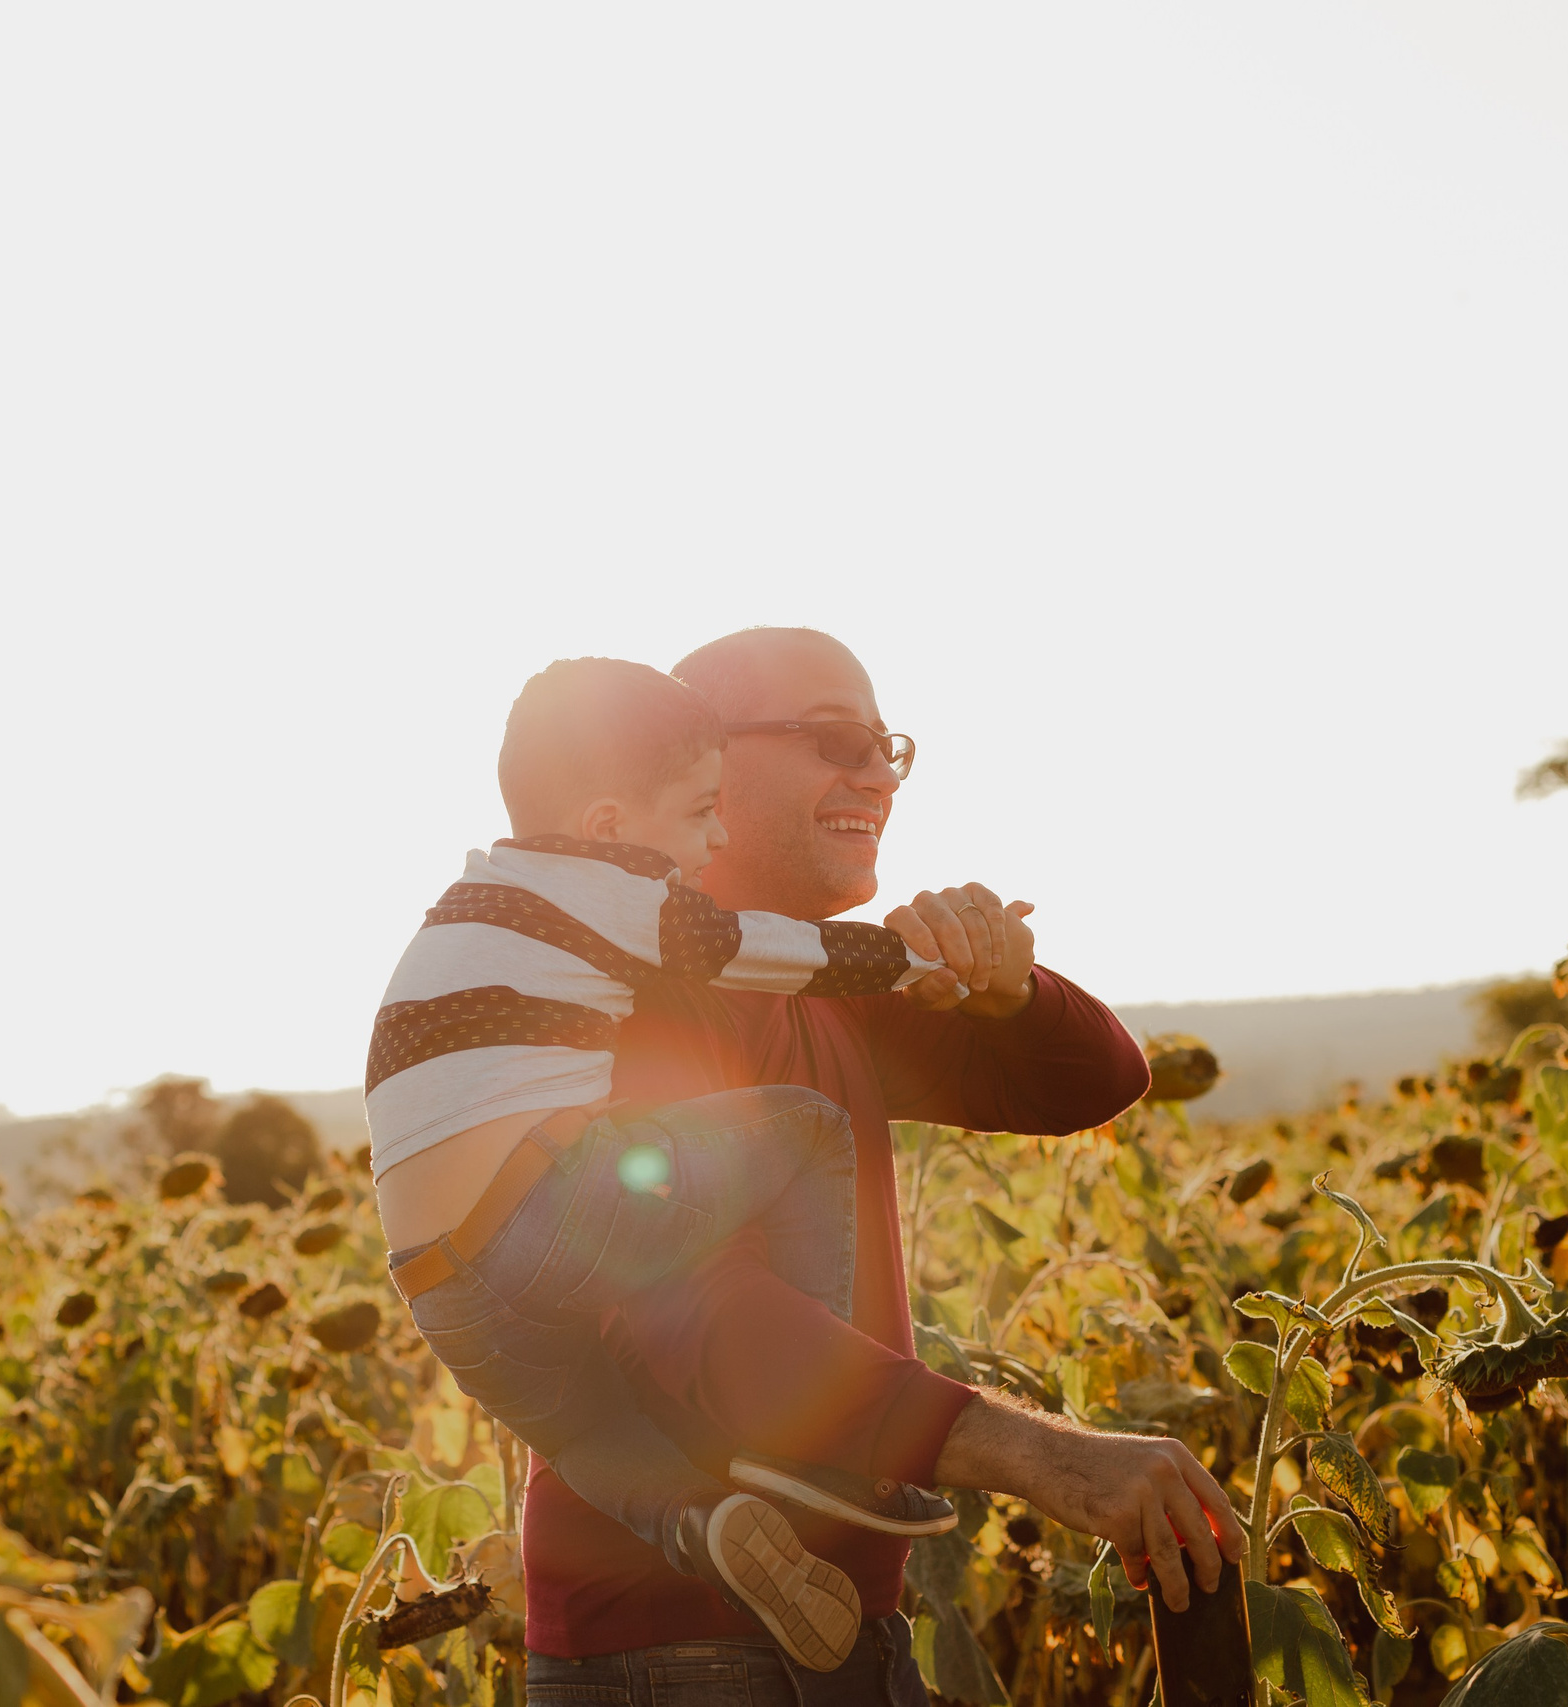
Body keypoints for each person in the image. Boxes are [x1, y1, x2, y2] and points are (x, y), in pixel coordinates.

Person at [518, 627, 1246, 1707]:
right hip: (683, 1651)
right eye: (833, 738)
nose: (875, 774)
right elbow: (696, 1316)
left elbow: (1091, 1081)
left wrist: (1009, 987)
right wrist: (1039, 1458)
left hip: (823, 1634)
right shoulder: (627, 993)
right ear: (696, 765)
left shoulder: (818, 985)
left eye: (887, 747)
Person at [369, 657, 961, 1673]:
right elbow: (768, 953)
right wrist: (912, 963)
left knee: (599, 1436)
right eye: (699, 812)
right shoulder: (605, 892)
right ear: (605, 825)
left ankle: (706, 1523)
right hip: (541, 1208)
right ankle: (805, 1437)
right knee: (807, 1129)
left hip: (438, 1283)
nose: (717, 838)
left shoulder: (467, 906)